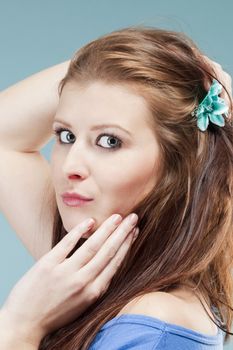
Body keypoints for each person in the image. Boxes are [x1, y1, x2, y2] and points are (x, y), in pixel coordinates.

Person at [0, 26, 232, 350]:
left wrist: (20, 328)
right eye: (66, 136)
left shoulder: (153, 327)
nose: (70, 167)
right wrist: (137, 60)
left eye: (109, 141)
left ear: (178, 163)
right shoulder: (97, 276)